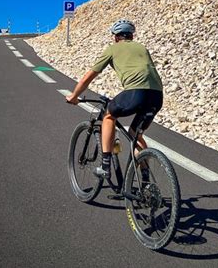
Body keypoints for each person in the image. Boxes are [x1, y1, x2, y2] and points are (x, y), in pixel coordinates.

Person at [66, 19, 163, 178]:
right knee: (135, 135)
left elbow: (88, 77)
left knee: (109, 116)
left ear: (116, 37)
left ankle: (105, 167)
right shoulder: (142, 48)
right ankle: (145, 178)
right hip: (157, 95)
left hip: (135, 92)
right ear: (131, 36)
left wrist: (74, 96)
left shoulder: (112, 49)